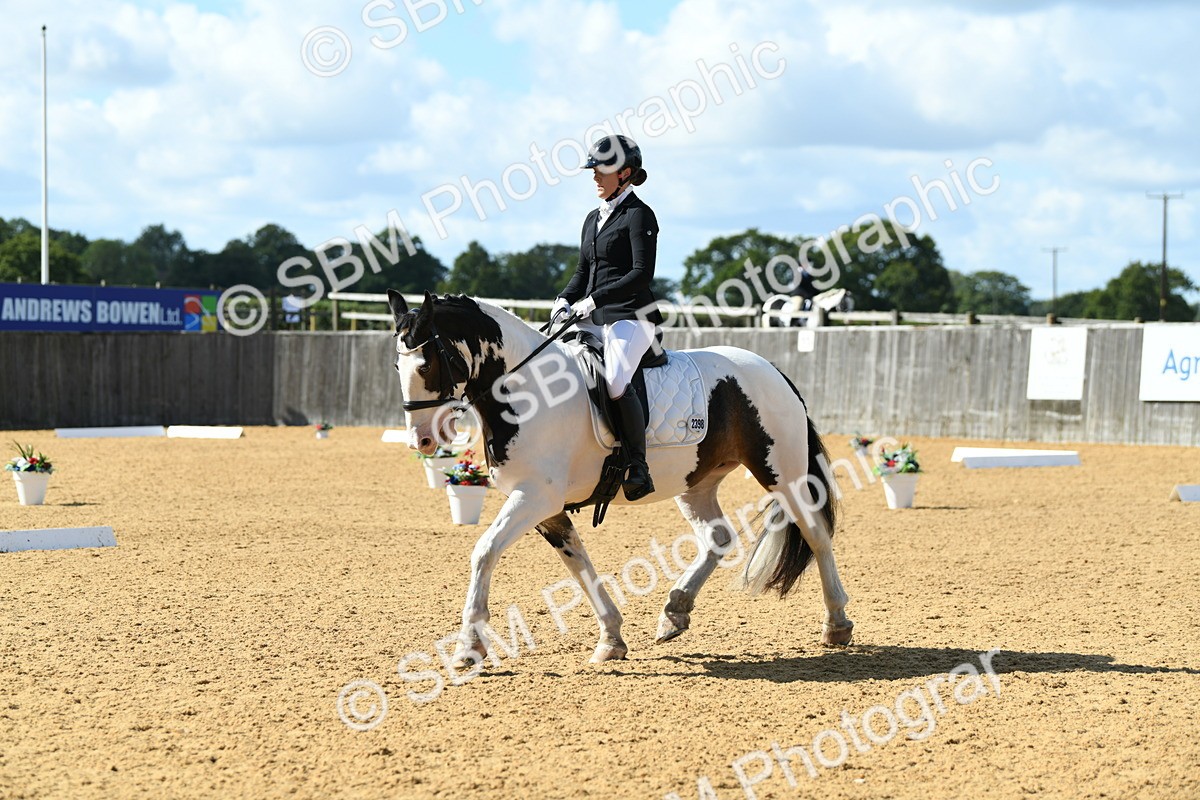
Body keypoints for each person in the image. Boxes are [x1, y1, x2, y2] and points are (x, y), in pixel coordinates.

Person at [551, 135, 662, 501]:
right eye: (593, 171)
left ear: (625, 173)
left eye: (602, 171)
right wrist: (565, 299)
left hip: (632, 314)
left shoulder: (639, 215)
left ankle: (637, 465)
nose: (595, 177)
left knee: (614, 380)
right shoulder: (592, 218)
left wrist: (595, 299)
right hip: (593, 316)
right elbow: (583, 271)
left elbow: (641, 274)